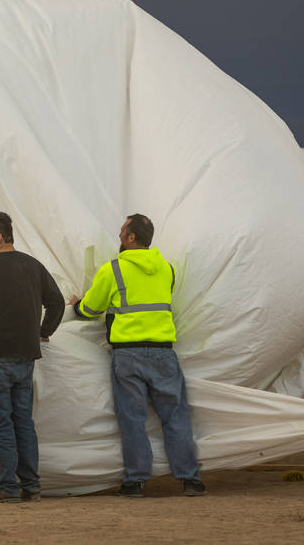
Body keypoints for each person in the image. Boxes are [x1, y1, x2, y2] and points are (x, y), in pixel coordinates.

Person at [70, 213, 205, 497]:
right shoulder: (167, 269)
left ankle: (135, 481)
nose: (118, 236)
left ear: (131, 237)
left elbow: (91, 309)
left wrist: (77, 306)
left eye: (122, 231)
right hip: (163, 353)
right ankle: (190, 479)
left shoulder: (113, 269)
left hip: (128, 354)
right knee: (176, 417)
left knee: (132, 419)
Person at [0, 211, 65, 503]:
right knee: (23, 422)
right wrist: (43, 331)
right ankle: (31, 486)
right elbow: (56, 302)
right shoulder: (33, 266)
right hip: (25, 358)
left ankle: (7, 487)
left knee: (1, 425)